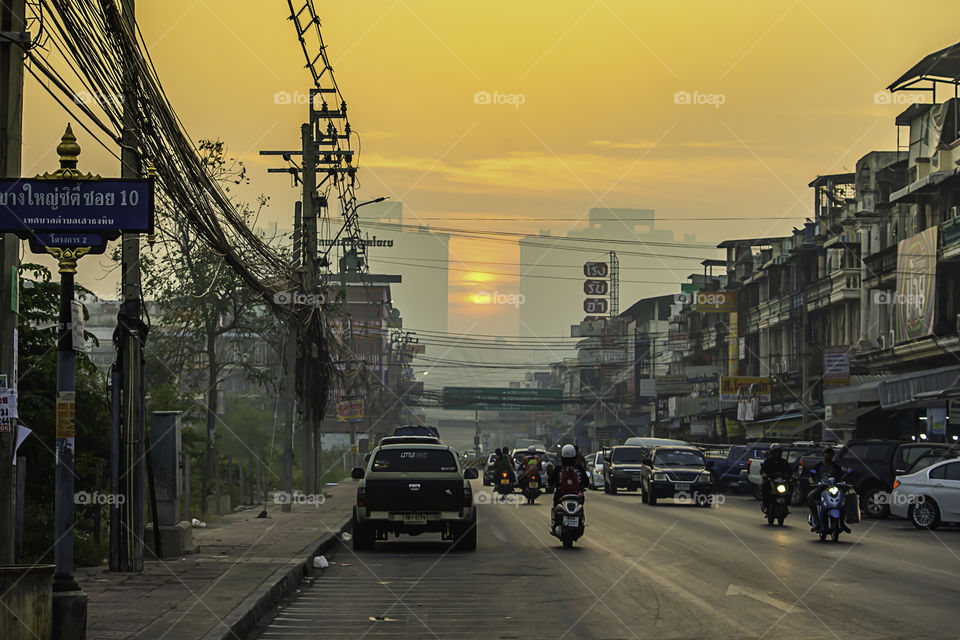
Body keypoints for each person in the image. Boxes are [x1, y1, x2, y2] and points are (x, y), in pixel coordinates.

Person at [806, 447, 849, 533]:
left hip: (834, 488)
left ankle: (842, 522)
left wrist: (843, 483)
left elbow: (841, 477)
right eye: (827, 453)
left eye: (831, 453)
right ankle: (817, 522)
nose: (829, 455)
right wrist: (812, 482)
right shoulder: (818, 465)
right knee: (810, 497)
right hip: (821, 488)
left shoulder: (836, 467)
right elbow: (811, 475)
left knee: (845, 499)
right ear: (823, 454)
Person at [760, 443, 792, 513]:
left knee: (791, 486)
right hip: (771, 480)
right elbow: (763, 470)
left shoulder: (784, 462)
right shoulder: (768, 461)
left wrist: (792, 476)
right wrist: (764, 474)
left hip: (782, 481)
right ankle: (765, 504)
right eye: (776, 452)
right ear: (772, 453)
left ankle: (788, 503)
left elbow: (789, 471)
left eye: (779, 452)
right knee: (765, 486)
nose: (777, 454)